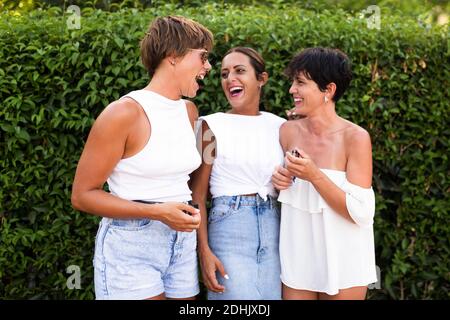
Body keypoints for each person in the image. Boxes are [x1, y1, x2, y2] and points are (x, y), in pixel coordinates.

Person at [70, 16, 213, 300]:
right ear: (173, 56)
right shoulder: (123, 113)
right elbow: (82, 195)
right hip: (131, 243)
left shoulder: (189, 111)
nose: (208, 66)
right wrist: (156, 212)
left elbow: (192, 171)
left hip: (181, 242)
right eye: (203, 57)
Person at [271, 47, 377, 300]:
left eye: (300, 83)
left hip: (345, 259)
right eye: (293, 82)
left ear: (328, 90)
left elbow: (361, 212)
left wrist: (315, 175)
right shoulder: (287, 131)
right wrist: (280, 181)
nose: (291, 90)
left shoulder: (356, 138)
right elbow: (284, 189)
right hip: (298, 255)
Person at [190, 47, 286, 300]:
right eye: (224, 74)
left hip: (275, 232)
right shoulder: (210, 126)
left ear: (261, 79)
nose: (230, 78)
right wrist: (204, 251)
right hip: (229, 230)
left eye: (240, 71)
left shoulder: (281, 126)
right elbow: (197, 195)